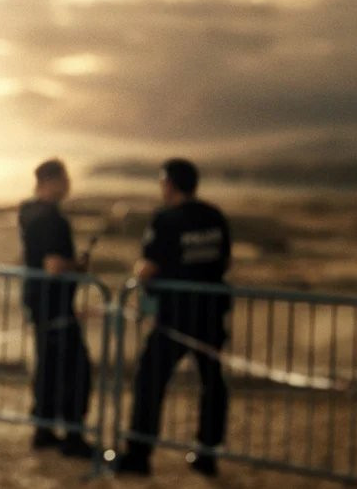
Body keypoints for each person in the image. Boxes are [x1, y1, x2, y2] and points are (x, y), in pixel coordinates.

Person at [116, 158, 231, 477]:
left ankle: (138, 454)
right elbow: (224, 261)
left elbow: (148, 268)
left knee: (149, 380)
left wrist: (139, 275)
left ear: (168, 184)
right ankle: (207, 453)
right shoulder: (214, 215)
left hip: (175, 317)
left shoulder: (166, 219)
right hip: (211, 312)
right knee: (212, 383)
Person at [19, 159, 95, 458]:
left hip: (38, 301)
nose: (68, 185)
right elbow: (53, 265)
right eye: (65, 179)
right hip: (56, 305)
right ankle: (72, 435)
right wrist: (78, 265)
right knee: (76, 370)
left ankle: (44, 429)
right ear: (51, 181)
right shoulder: (52, 219)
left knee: (48, 367)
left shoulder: (28, 211)